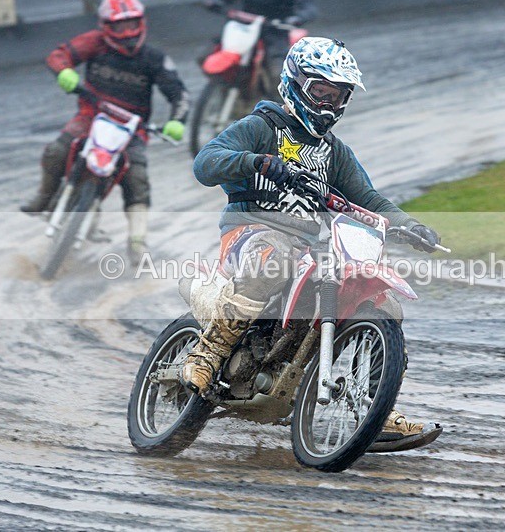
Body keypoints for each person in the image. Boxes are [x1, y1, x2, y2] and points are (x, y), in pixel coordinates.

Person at [187, 37, 442, 450]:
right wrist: (258, 161)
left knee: (383, 304)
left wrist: (409, 225)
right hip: (251, 231)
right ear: (295, 83)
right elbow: (205, 163)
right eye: (320, 92)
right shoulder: (262, 127)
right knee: (278, 256)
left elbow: (370, 199)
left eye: (337, 96)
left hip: (313, 247)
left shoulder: (335, 152)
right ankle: (209, 354)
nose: (327, 104)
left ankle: (375, 404)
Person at [20, 0, 190, 262]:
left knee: (137, 177)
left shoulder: (155, 58)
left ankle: (137, 241)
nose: (127, 34)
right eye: (119, 27)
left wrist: (178, 120)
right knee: (56, 151)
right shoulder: (94, 42)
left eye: (132, 24)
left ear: (142, 23)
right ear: (105, 27)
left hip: (132, 129)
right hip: (90, 116)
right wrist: (64, 72)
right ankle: (43, 197)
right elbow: (58, 55)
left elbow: (179, 94)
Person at [204, 0, 318, 75]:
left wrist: (298, 18)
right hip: (245, 28)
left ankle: (280, 103)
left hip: (276, 30)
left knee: (277, 70)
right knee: (208, 54)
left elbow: (308, 8)